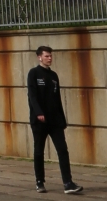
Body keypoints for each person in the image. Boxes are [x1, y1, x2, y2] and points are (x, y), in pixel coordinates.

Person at [27, 44, 83, 193]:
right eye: (46, 56)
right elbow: (32, 96)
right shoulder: (33, 73)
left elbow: (57, 99)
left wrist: (62, 119)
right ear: (39, 57)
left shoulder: (54, 76)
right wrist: (38, 112)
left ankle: (68, 183)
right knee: (39, 151)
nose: (49, 58)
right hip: (39, 121)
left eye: (50, 56)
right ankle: (40, 181)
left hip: (54, 120)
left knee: (63, 150)